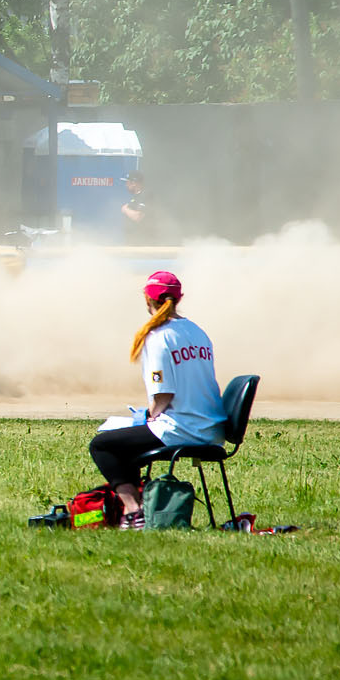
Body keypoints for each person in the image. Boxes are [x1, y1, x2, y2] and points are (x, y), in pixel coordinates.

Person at [88, 269, 220, 528]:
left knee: (102, 445)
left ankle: (134, 511)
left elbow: (163, 396)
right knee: (126, 442)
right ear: (178, 299)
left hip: (180, 428)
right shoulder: (197, 332)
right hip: (209, 427)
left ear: (148, 300)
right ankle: (143, 508)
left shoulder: (158, 337)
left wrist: (147, 416)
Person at [119, 171, 152, 244]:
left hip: (142, 243)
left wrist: (125, 209)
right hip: (133, 241)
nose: (126, 185)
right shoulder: (136, 197)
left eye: (127, 182)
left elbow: (138, 216)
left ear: (134, 183)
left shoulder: (145, 195)